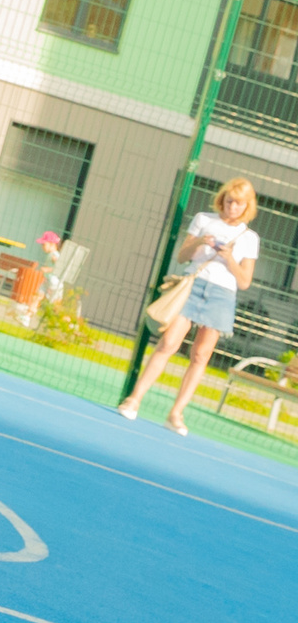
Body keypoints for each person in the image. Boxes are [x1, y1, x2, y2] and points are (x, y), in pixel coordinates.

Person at [119, 178, 261, 435]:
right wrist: (199, 243)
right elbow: (182, 257)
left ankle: (176, 413)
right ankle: (134, 399)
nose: (232, 207)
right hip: (192, 286)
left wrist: (229, 258)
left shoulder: (250, 238)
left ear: (247, 206)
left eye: (238, 204)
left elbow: (244, 281)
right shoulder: (204, 219)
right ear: (223, 199)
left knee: (201, 355)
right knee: (168, 344)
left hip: (222, 295)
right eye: (229, 201)